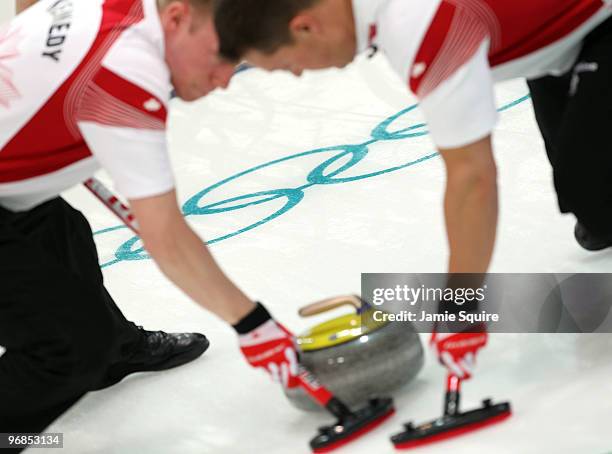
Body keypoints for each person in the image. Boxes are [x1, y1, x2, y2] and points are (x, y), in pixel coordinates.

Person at [213, 0, 612, 377]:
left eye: (287, 65)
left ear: (305, 26)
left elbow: (472, 177)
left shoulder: (418, 25)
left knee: (589, 189)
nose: (298, 73)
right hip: (565, 41)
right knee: (587, 190)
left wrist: (460, 308)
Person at [0, 0, 299, 449]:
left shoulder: (118, 8)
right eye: (219, 58)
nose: (223, 81)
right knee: (69, 348)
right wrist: (254, 326)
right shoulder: (126, 74)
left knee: (64, 234)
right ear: (177, 19)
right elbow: (166, 237)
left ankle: (112, 353)